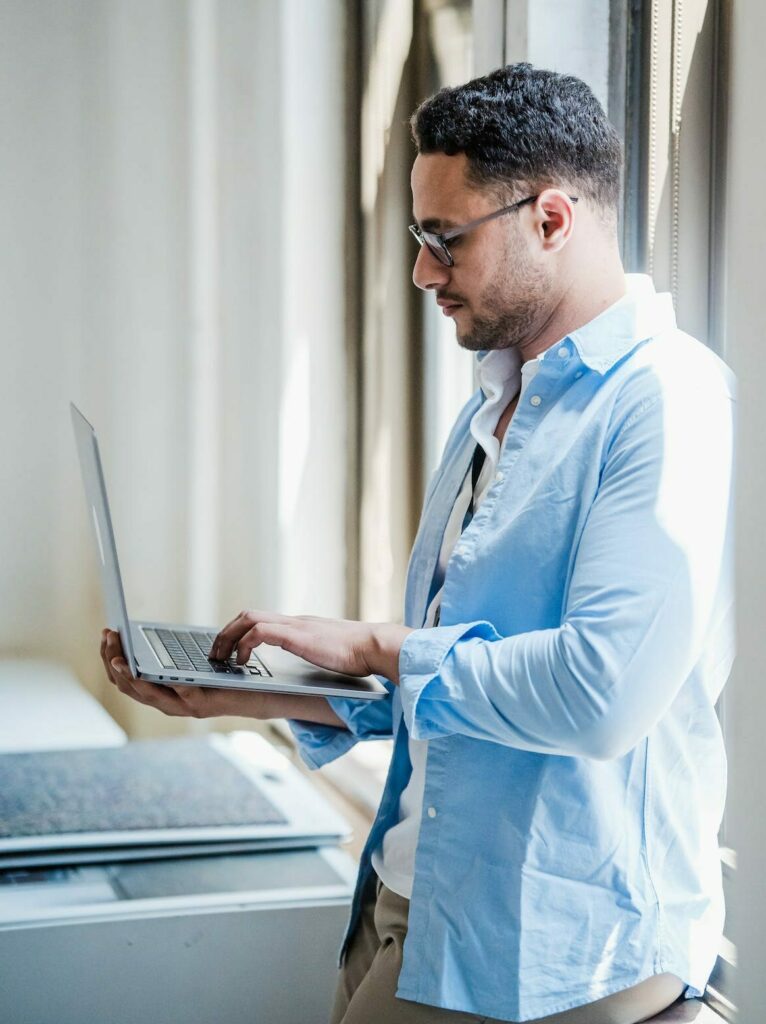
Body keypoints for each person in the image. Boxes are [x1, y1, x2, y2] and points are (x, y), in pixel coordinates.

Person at [101, 63, 736, 1024]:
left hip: (544, 953)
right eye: (418, 237)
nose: (421, 272)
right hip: (415, 907)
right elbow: (471, 705)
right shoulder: (499, 398)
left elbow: (600, 697)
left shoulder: (666, 399)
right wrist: (256, 696)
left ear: (552, 219)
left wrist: (370, 644)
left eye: (445, 240)